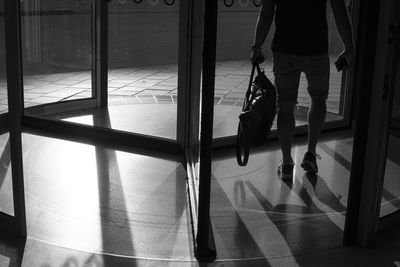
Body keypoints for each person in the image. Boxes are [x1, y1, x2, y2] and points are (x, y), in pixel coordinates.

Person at [250, 0, 354, 178]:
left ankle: (287, 163)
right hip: (316, 48)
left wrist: (257, 46)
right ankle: (311, 154)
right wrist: (349, 46)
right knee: (318, 98)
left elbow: (266, 14)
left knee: (285, 105)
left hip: (284, 48)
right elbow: (340, 12)